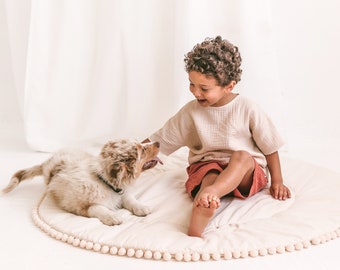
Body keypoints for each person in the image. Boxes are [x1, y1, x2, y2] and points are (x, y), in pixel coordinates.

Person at [143, 36, 291, 237]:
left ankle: (212, 192)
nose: (196, 92)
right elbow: (162, 139)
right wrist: (130, 151)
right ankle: (195, 231)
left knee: (242, 157)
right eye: (192, 84)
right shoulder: (191, 112)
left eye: (204, 88)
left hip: (245, 173)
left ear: (229, 86)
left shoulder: (246, 108)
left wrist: (277, 181)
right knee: (209, 177)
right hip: (207, 167)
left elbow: (270, 147)